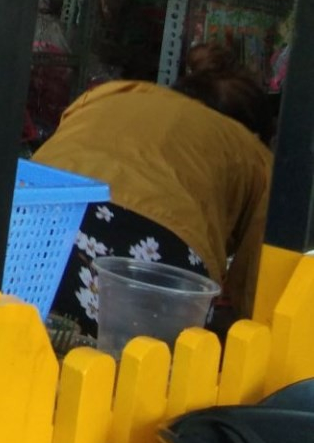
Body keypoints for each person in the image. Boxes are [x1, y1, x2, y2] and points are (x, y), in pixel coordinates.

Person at [34, 45, 273, 347]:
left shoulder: (112, 95)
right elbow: (255, 281)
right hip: (154, 248)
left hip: (35, 217)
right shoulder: (255, 154)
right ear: (255, 130)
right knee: (131, 363)